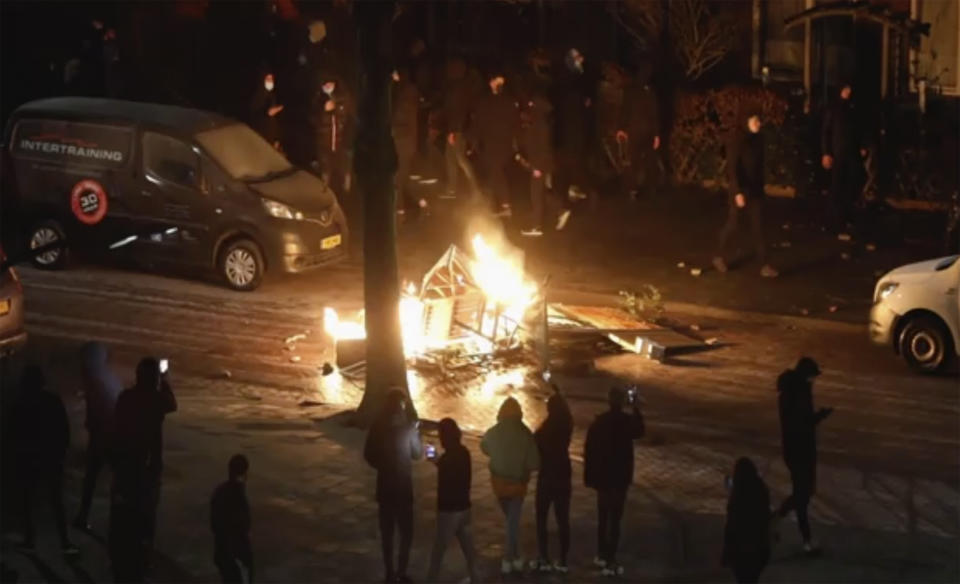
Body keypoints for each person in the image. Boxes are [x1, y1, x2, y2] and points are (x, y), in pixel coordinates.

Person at [110, 357, 178, 582]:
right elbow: (172, 403)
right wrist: (166, 380)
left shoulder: (126, 398)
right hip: (148, 467)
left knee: (124, 514)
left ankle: (124, 556)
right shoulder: (156, 399)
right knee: (146, 516)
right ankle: (142, 558)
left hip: (125, 466)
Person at [12, 365, 78, 555]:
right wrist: (61, 453)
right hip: (50, 457)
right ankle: (64, 542)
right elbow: (63, 430)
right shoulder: (52, 400)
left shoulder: (21, 403)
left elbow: (14, 432)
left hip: (29, 458)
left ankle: (30, 539)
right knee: (56, 500)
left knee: (28, 500)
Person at [584, 387, 645, 576]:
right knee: (615, 519)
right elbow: (640, 431)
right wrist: (636, 408)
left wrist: (589, 477)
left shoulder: (599, 422)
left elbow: (589, 451)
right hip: (619, 478)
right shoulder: (626, 422)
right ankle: (611, 558)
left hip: (603, 478)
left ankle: (601, 554)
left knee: (603, 517)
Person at [364, 389, 423, 583]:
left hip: (385, 487)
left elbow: (368, 454)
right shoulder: (407, 427)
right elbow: (416, 454)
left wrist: (382, 465)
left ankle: (389, 572)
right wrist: (416, 433)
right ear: (401, 405)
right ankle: (401, 571)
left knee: (387, 533)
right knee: (406, 532)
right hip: (404, 487)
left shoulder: (377, 426)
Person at [775, 357, 832, 555]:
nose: (813, 381)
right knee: (803, 496)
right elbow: (801, 423)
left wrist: (818, 417)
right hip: (800, 451)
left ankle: (778, 520)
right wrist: (819, 417)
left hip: (797, 450)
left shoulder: (793, 391)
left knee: (804, 494)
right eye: (812, 377)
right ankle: (805, 540)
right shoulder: (798, 394)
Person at [713, 110, 779, 279]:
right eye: (755, 121)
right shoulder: (737, 140)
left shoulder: (759, 140)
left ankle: (765, 264)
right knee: (734, 224)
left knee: (759, 226)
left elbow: (759, 166)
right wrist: (737, 192)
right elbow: (733, 169)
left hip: (755, 190)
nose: (758, 124)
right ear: (746, 122)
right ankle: (719, 255)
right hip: (741, 190)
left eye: (759, 121)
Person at [481, 397, 540, 575]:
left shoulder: (493, 431)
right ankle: (508, 559)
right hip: (517, 485)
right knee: (512, 523)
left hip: (498, 484)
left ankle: (516, 556)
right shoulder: (525, 433)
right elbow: (535, 462)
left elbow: (483, 446)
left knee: (511, 521)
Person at [75, 341, 123, 532]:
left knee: (94, 479)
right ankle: (115, 519)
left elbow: (98, 411)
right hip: (108, 436)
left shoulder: (95, 382)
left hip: (104, 437)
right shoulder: (105, 378)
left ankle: (88, 516)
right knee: (111, 479)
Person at [426, 418, 478, 583]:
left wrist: (433, 457)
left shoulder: (448, 459)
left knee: (439, 550)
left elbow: (446, 474)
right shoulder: (464, 452)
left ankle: (431, 580)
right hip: (464, 507)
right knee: (469, 549)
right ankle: (476, 578)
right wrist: (437, 461)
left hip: (449, 511)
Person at [519, 93, 571, 237]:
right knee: (541, 191)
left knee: (536, 194)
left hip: (539, 165)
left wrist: (536, 167)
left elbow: (540, 148)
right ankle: (560, 210)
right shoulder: (541, 123)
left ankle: (536, 226)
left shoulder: (538, 125)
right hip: (542, 164)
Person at [533, 392, 573, 573]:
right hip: (563, 473)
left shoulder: (544, 430)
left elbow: (534, 446)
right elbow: (568, 414)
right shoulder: (567, 425)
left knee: (542, 518)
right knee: (562, 519)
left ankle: (544, 558)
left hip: (547, 475)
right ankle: (563, 560)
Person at [821, 83, 866, 239]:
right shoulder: (834, 108)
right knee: (836, 188)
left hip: (851, 154)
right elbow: (826, 132)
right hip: (838, 154)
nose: (848, 92)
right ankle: (835, 221)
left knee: (850, 186)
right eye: (845, 89)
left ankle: (846, 219)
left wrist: (861, 146)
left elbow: (858, 129)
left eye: (850, 89)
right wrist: (826, 153)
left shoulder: (853, 108)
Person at [473, 72, 518, 217]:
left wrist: (473, 138)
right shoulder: (505, 101)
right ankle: (495, 204)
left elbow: (480, 122)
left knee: (495, 172)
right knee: (494, 173)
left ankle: (504, 205)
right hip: (500, 143)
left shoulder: (490, 102)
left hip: (495, 144)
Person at [553, 47, 594, 204]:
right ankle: (571, 195)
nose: (581, 61)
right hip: (570, 133)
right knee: (569, 165)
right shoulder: (569, 84)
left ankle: (576, 194)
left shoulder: (579, 81)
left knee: (572, 165)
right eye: (577, 59)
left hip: (573, 134)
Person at [722, 457, 773, 584]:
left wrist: (726, 552)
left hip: (741, 552)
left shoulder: (737, 498)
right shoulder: (761, 490)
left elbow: (731, 526)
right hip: (759, 549)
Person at [619, 64, 661, 200]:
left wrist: (622, 128)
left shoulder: (631, 90)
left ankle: (634, 189)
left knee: (634, 161)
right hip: (644, 130)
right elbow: (654, 113)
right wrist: (656, 134)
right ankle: (649, 188)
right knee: (647, 161)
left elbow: (625, 110)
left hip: (635, 129)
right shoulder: (649, 91)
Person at [210, 454, 253, 584]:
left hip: (223, 553)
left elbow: (214, 525)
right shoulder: (237, 495)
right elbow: (243, 526)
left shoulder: (220, 492)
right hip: (235, 555)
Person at [442, 57, 479, 199]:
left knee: (460, 159)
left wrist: (453, 131)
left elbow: (456, 110)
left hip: (457, 129)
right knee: (452, 159)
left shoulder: (457, 89)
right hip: (456, 129)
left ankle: (475, 189)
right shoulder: (460, 86)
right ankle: (452, 188)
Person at [392, 68, 426, 216]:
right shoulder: (408, 95)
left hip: (403, 142)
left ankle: (399, 208)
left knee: (399, 176)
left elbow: (399, 120)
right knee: (403, 175)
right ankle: (421, 200)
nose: (393, 77)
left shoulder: (404, 98)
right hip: (406, 142)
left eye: (395, 74)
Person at [313, 78, 352, 194]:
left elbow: (347, 116)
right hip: (324, 140)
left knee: (344, 165)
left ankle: (347, 189)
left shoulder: (343, 97)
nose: (328, 86)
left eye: (330, 83)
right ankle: (324, 188)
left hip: (341, 139)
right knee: (326, 166)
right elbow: (314, 118)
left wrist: (337, 109)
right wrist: (325, 111)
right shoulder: (318, 98)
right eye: (325, 84)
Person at [249, 72, 284, 149]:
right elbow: (255, 115)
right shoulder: (258, 96)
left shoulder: (272, 96)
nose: (270, 81)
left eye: (271, 79)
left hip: (271, 137)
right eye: (268, 79)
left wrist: (276, 138)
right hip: (261, 137)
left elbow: (274, 120)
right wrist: (267, 112)